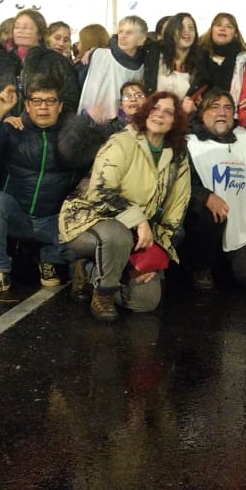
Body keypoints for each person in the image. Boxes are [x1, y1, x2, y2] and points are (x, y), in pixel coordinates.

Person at [59, 92, 192, 321]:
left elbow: (175, 211)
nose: (160, 114)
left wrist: (157, 253)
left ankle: (88, 270)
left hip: (136, 232)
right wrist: (138, 220)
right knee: (117, 235)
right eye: (155, 108)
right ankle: (104, 294)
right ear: (145, 112)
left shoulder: (178, 156)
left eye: (168, 112)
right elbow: (100, 192)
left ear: (175, 121)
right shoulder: (121, 141)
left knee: (146, 301)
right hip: (86, 220)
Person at [0, 78, 82, 296]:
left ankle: (48, 258)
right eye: (37, 101)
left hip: (54, 222)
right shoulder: (12, 129)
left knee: (88, 230)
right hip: (18, 218)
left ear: (60, 106)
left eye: (50, 101)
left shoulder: (74, 136)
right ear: (27, 105)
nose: (43, 107)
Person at [183, 91, 246, 290]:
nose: (221, 113)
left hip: (239, 222)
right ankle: (201, 268)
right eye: (214, 107)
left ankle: (227, 263)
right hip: (203, 221)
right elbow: (180, 186)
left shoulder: (244, 138)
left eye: (227, 108)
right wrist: (205, 196)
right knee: (207, 214)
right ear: (202, 113)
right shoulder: (189, 142)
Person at [0, 9, 79, 115]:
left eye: (27, 28)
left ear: (40, 33)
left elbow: (70, 99)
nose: (20, 31)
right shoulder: (0, 59)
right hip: (5, 121)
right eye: (17, 27)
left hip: (44, 122)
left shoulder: (57, 61)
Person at [78, 16, 149, 122]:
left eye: (129, 33)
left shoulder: (146, 66)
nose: (123, 36)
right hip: (89, 123)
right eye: (120, 32)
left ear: (142, 39)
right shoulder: (96, 56)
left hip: (126, 125)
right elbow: (78, 85)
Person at [143, 11, 201, 111]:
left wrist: (194, 109)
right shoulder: (153, 53)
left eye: (191, 28)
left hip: (183, 118)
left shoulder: (200, 64)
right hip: (153, 114)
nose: (187, 32)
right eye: (181, 28)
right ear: (171, 31)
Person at [193, 12, 246, 102]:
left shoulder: (245, 58)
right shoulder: (197, 54)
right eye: (218, 25)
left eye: (229, 26)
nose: (223, 29)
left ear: (236, 33)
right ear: (212, 29)